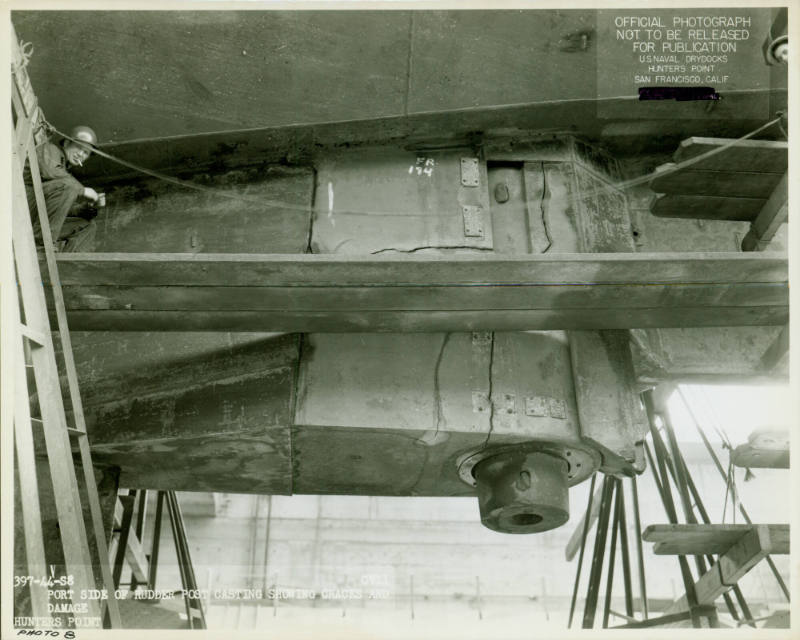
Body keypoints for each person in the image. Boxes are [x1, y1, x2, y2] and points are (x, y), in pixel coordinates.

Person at [26, 125, 102, 252]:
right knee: (68, 187)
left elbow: (57, 209)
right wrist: (83, 190)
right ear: (67, 143)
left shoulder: (65, 174)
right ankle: (41, 246)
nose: (81, 154)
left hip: (35, 218)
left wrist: (86, 209)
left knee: (87, 226)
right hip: (20, 207)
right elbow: (50, 172)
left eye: (86, 153)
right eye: (79, 148)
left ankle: (68, 263)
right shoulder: (51, 149)